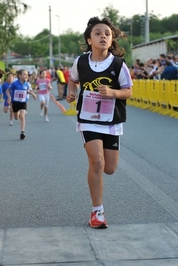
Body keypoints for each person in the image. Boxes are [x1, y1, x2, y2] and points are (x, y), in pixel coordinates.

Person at [66, 16, 132, 229]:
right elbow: (72, 79)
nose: (103, 36)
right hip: (88, 119)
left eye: (107, 34)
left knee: (110, 168)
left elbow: (128, 91)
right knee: (97, 162)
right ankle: (97, 212)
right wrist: (71, 92)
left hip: (111, 120)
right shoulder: (81, 62)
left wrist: (112, 92)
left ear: (112, 40)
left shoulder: (118, 65)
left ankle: (97, 206)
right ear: (89, 39)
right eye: (98, 33)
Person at [6, 69, 36, 140]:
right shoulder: (14, 83)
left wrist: (32, 93)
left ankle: (22, 132)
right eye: (24, 74)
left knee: (22, 116)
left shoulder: (27, 84)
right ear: (19, 75)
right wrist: (9, 97)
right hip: (15, 103)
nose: (26, 76)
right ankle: (17, 114)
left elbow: (27, 91)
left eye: (27, 74)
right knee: (16, 117)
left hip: (23, 102)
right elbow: (8, 90)